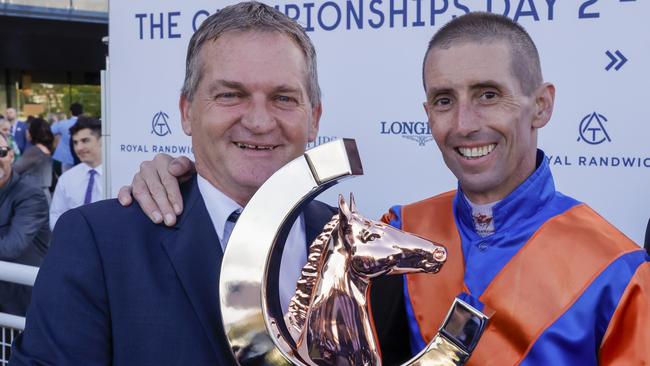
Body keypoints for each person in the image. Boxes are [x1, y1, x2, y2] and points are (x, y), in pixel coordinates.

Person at [119, 12, 650, 365]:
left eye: (489, 94)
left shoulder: (619, 272)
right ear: (427, 114)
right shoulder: (394, 228)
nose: (465, 122)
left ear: (542, 105)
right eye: (444, 100)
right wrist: (177, 174)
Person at [10, 3, 345, 365]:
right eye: (230, 94)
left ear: (314, 118)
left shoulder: (352, 243)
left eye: (283, 98)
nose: (260, 121)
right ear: (187, 112)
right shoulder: (99, 243)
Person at [0, 133, 50, 317]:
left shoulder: (30, 194)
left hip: (21, 303)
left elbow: (12, 247)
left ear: (11, 155)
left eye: (1, 152)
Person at [48, 117, 103, 230]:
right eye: (75, 142)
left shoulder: (118, 176)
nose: (79, 148)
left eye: (85, 140)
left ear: (101, 140)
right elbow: (56, 216)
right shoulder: (67, 178)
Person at [13, 118, 54, 202]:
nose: (26, 132)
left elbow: (15, 169)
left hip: (34, 195)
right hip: (44, 194)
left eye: (28, 129)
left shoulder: (34, 151)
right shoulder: (46, 149)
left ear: (33, 131)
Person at [50, 102, 82, 173]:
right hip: (81, 158)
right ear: (82, 112)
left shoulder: (63, 123)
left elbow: (50, 131)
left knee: (64, 180)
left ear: (71, 112)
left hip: (64, 158)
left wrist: (55, 121)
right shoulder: (85, 124)